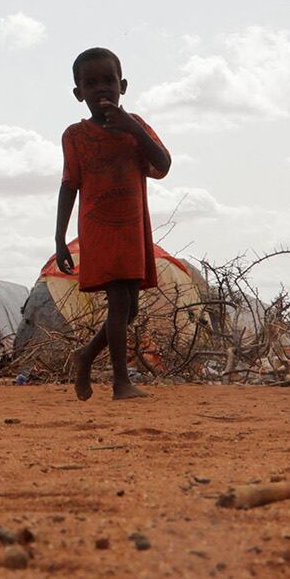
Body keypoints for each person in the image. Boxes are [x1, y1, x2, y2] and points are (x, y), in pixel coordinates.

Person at [52, 47, 172, 401]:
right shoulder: (75, 135)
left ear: (122, 85)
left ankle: (86, 356)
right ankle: (121, 382)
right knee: (119, 302)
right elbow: (69, 185)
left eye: (108, 81)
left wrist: (132, 126)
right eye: (91, 83)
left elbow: (162, 164)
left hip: (133, 228)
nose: (101, 89)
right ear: (79, 94)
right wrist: (60, 238)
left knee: (129, 308)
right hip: (99, 228)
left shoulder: (135, 127)